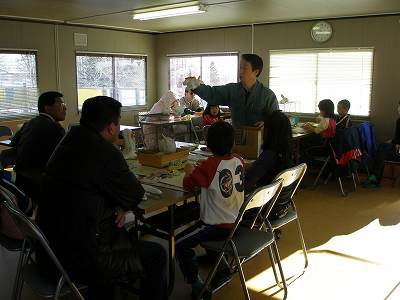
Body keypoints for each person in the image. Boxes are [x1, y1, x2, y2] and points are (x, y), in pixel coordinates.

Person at [36, 96, 167, 300]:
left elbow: (84, 185)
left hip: (48, 248)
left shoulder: (68, 139)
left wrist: (114, 203)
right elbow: (135, 193)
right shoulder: (105, 151)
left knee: (123, 233)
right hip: (81, 257)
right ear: (111, 127)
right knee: (156, 254)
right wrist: (120, 203)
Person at [177, 122, 244, 299]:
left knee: (179, 244)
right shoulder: (238, 160)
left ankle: (196, 284)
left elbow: (188, 184)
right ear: (233, 143)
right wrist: (204, 167)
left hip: (217, 226)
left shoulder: (209, 166)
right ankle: (221, 267)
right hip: (237, 221)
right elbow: (218, 170)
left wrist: (189, 171)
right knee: (201, 225)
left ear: (207, 144)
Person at [184, 53, 279, 128]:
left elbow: (277, 120)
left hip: (260, 144)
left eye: (244, 68)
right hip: (237, 141)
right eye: (240, 67)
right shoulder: (232, 90)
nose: (240, 71)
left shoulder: (268, 96)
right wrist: (196, 86)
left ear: (256, 71)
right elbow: (212, 94)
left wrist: (266, 123)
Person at [10, 91, 66, 202]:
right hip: (40, 183)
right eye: (60, 104)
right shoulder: (55, 127)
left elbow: (13, 142)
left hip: (21, 179)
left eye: (64, 105)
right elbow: (65, 157)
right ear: (47, 108)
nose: (65, 108)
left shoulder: (30, 122)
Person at [244, 111, 294, 218]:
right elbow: (263, 167)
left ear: (270, 131)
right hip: (281, 207)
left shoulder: (269, 155)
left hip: (264, 209)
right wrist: (245, 164)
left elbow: (246, 183)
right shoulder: (284, 151)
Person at [363, 101, 400, 188]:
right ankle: (374, 175)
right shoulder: (399, 121)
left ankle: (375, 177)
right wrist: (393, 141)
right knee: (382, 146)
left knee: (384, 149)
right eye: (399, 106)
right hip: (397, 146)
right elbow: (398, 138)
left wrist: (396, 143)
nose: (398, 109)